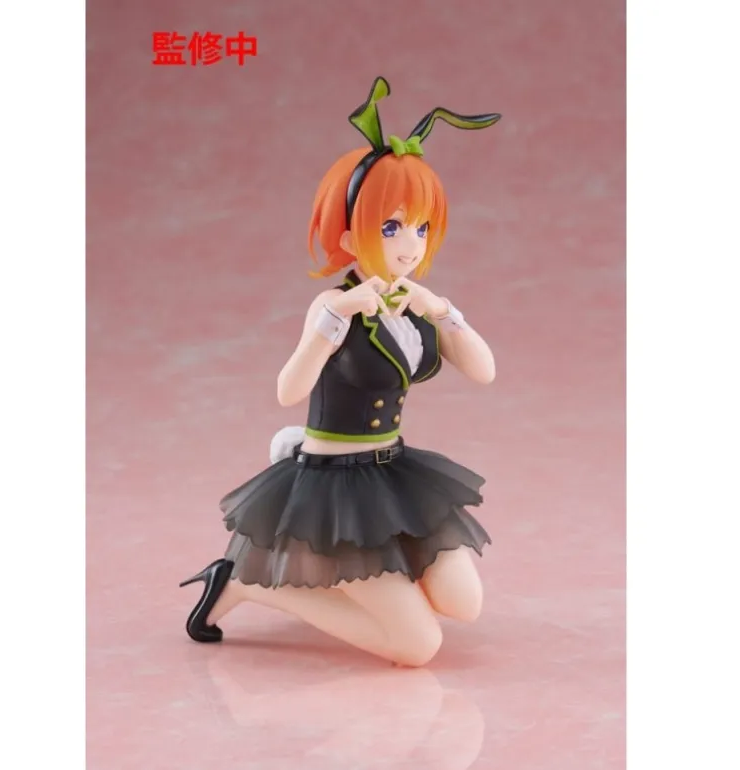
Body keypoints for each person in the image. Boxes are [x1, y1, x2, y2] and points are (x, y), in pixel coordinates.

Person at [180, 76, 501, 667]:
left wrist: (443, 311)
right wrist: (332, 320)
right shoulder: (334, 306)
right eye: (391, 228)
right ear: (351, 236)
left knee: (465, 604)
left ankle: (379, 584)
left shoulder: (417, 305)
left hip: (393, 474)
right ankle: (246, 583)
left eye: (421, 228)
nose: (410, 245)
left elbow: (483, 372)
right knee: (418, 647)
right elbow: (289, 390)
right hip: (332, 485)